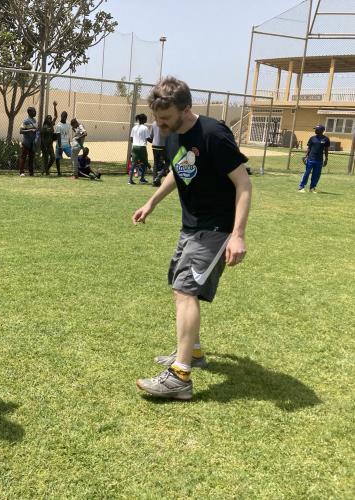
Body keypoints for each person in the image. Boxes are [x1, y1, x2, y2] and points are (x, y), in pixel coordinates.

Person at [132, 76, 252, 400]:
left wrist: (237, 235)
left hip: (215, 228)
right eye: (157, 118)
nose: (160, 124)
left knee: (186, 290)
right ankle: (193, 352)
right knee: (179, 288)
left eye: (166, 118)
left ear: (186, 109)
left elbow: (243, 183)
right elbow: (177, 170)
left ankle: (180, 376)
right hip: (191, 226)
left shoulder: (213, 134)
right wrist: (151, 202)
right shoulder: (171, 135)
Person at [298, 125, 330, 193]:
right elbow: (309, 148)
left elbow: (326, 150)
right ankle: (301, 187)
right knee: (307, 173)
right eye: (315, 129)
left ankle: (312, 188)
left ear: (322, 131)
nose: (315, 131)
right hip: (310, 159)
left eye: (317, 129)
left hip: (319, 160)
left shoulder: (326, 139)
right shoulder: (312, 138)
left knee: (316, 175)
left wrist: (326, 159)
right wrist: (305, 156)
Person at [128, 113, 151, 185]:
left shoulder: (134, 128)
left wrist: (135, 142)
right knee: (145, 163)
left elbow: (131, 139)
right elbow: (148, 139)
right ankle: (142, 179)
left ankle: (130, 180)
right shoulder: (145, 128)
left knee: (133, 164)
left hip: (134, 147)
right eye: (146, 118)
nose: (146, 120)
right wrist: (155, 140)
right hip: (142, 147)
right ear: (143, 119)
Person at [18, 106, 38, 176]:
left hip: (33, 143)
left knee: (31, 158)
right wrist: (30, 130)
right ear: (29, 112)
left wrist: (36, 138)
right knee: (23, 157)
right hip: (26, 143)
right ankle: (21, 172)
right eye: (34, 111)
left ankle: (31, 173)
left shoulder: (35, 120)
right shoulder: (26, 121)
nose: (35, 112)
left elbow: (37, 130)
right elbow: (21, 131)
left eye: (35, 111)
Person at [54, 101, 71, 175]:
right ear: (61, 116)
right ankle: (58, 172)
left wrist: (69, 143)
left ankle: (75, 171)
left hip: (67, 145)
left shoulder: (68, 123)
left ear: (66, 117)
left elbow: (68, 134)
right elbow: (58, 137)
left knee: (72, 155)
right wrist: (60, 147)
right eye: (63, 116)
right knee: (57, 159)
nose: (64, 118)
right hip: (59, 145)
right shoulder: (58, 125)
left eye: (65, 117)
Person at [149, 120, 168, 187]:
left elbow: (150, 136)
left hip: (154, 145)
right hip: (163, 145)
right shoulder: (166, 122)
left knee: (156, 163)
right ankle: (158, 177)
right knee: (168, 161)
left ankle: (155, 181)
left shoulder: (154, 123)